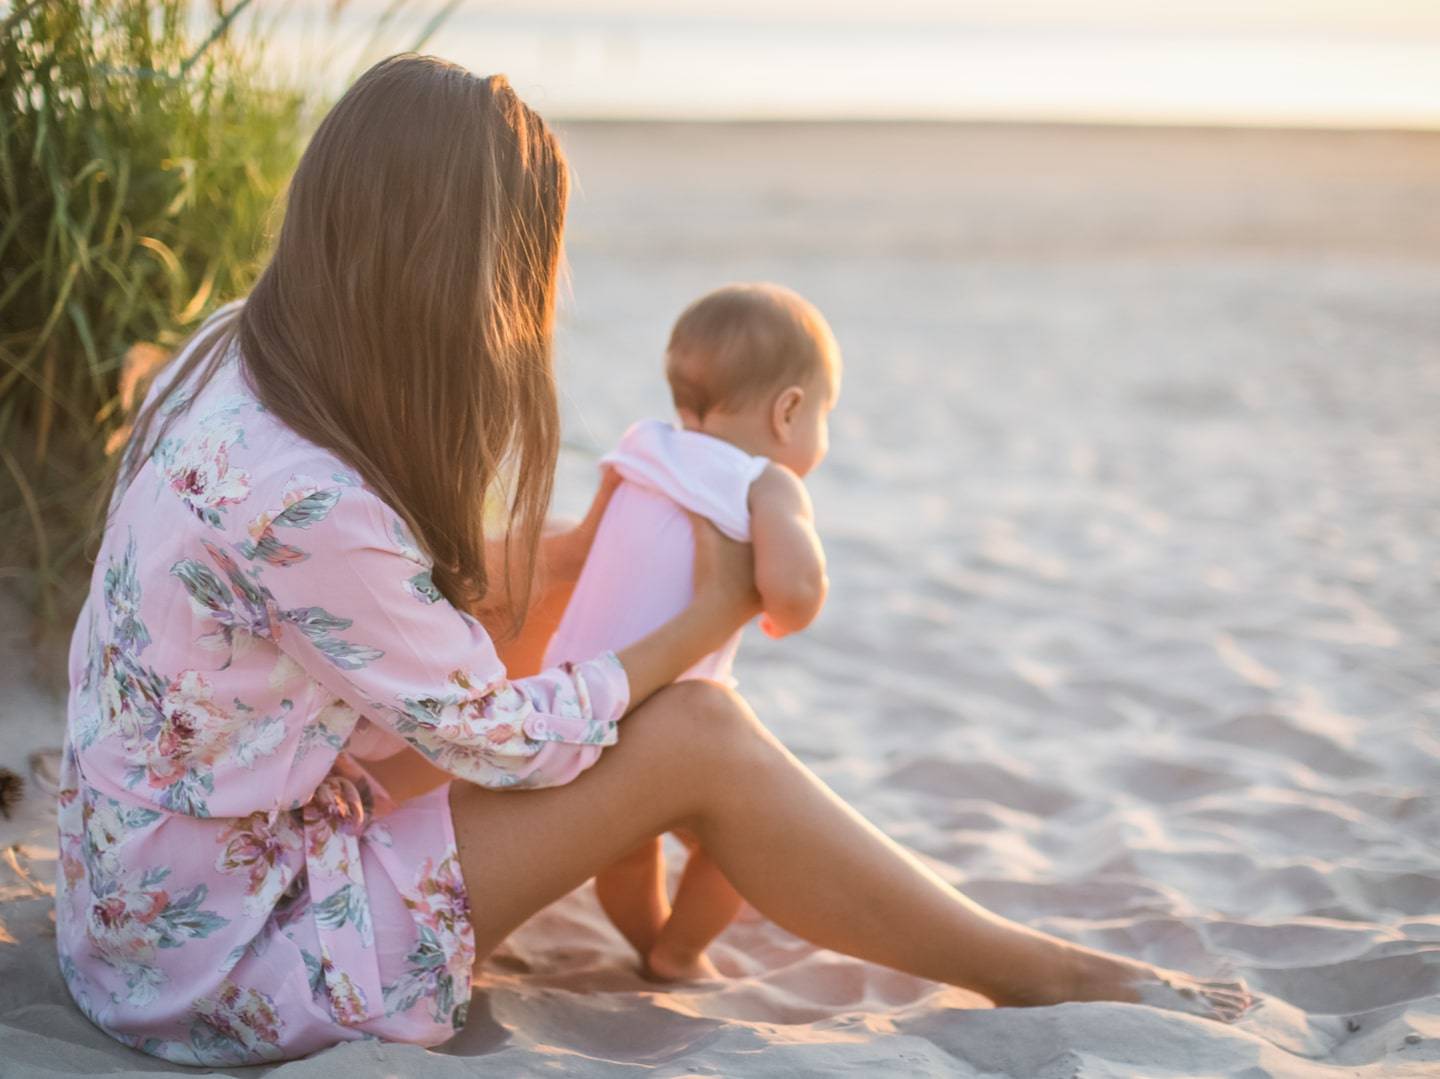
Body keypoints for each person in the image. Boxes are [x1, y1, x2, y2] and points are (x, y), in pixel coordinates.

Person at [55, 54, 1249, 1068]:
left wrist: (575, 554)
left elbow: (372, 604)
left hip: (144, 887)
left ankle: (919, 931)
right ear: (446, 260)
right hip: (221, 958)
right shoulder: (307, 494)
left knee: (548, 588)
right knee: (696, 733)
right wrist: (701, 618)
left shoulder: (239, 348)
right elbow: (504, 743)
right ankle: (1034, 968)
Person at [545, 283, 840, 981]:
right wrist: (781, 607)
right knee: (742, 841)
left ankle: (649, 939)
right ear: (790, 410)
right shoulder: (766, 481)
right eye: (825, 416)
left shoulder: (642, 446)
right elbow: (795, 596)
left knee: (627, 852)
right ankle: (678, 950)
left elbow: (588, 546)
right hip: (666, 716)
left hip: (574, 699)